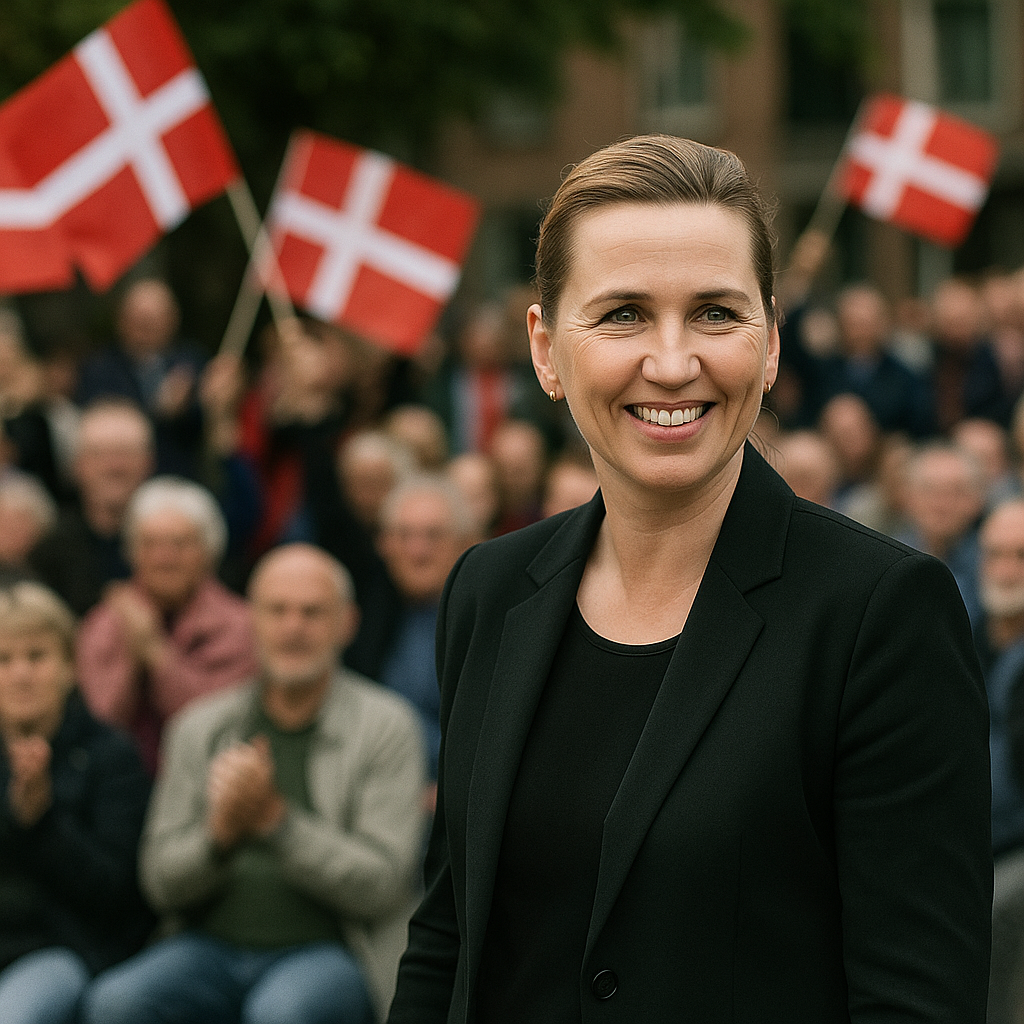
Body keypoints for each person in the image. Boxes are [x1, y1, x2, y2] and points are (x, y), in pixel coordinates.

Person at [386, 135, 991, 1023]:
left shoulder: (881, 616)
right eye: (623, 313)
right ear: (547, 350)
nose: (672, 363)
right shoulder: (489, 590)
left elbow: (916, 999)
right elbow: (449, 942)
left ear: (773, 342)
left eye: (714, 313)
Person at [82, 543, 427, 1024]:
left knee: (280, 1012)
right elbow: (160, 882)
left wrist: (276, 822)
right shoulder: (201, 727)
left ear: (347, 623)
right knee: (115, 1001)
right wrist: (219, 837)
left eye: (312, 613)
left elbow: (384, 885)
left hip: (335, 948)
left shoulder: (386, 726)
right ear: (251, 621)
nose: (292, 628)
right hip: (207, 946)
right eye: (277, 611)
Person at [0, 582, 152, 1024]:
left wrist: (40, 821)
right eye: (4, 659)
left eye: (36, 656)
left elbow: (116, 895)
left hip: (63, 950)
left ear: (69, 666)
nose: (20, 674)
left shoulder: (111, 756)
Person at [75, 476, 257, 774]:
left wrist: (155, 653)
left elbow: (216, 726)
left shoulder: (242, 626)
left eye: (179, 544)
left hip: (211, 778)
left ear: (209, 552)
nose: (164, 558)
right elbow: (101, 721)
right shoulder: (103, 622)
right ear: (132, 553)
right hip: (118, 787)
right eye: (150, 544)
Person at [28, 399, 154, 615]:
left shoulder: (177, 546)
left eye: (126, 453)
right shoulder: (50, 550)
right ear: (77, 465)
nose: (114, 466)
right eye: (100, 454)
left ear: (148, 463)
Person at [972, 500, 1024, 1024]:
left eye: (1021, 557)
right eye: (994, 555)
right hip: (968, 841)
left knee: (999, 906)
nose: (1006, 572)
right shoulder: (967, 634)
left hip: (1014, 849)